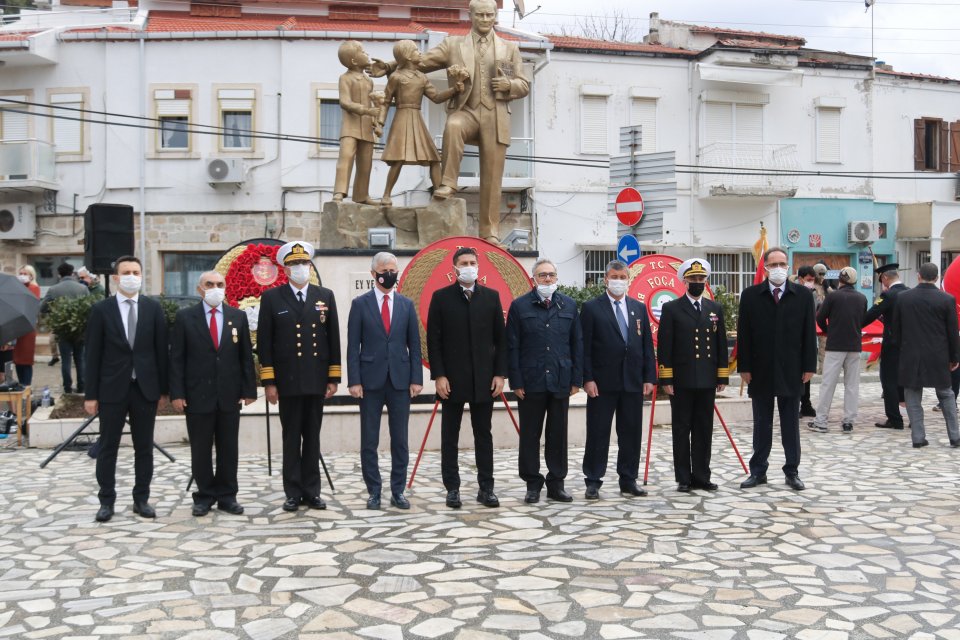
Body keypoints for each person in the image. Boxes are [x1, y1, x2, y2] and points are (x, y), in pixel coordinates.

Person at [371, 0, 530, 244]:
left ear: (496, 16)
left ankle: (489, 232)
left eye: (490, 15)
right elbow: (420, 61)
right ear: (471, 16)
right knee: (453, 125)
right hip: (466, 109)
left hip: (495, 116)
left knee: (492, 176)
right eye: (480, 15)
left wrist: (509, 85)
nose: (485, 20)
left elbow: (523, 84)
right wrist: (391, 65)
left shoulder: (509, 48)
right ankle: (448, 183)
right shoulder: (453, 45)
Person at [257, 241, 341, 512]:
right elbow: (265, 344)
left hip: (316, 380)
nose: (300, 268)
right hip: (288, 381)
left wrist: (333, 377)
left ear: (310, 266)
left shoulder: (324, 296)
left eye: (303, 263)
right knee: (291, 437)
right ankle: (293, 492)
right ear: (285, 269)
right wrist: (269, 382)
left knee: (313, 437)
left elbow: (333, 339)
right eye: (294, 264)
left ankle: (312, 491)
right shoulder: (272, 298)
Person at [84, 256, 169, 522]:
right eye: (126, 272)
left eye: (136, 271)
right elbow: (93, 354)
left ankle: (141, 499)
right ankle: (106, 500)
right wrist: (91, 394)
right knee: (108, 446)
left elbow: (161, 352)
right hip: (112, 389)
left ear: (142, 276)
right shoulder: (102, 310)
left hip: (145, 389)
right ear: (116, 278)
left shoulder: (153, 309)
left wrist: (164, 390)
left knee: (143, 447)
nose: (132, 276)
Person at [169, 271, 257, 517]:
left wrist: (248, 389)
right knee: (201, 449)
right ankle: (204, 496)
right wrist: (177, 392)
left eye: (220, 284)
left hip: (229, 395)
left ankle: (228, 496)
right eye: (210, 284)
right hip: (197, 395)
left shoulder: (237, 317)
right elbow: (176, 359)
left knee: (229, 448)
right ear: (200, 289)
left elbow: (245, 358)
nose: (215, 288)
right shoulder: (186, 317)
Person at [427, 246, 507, 509]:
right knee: (450, 435)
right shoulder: (441, 298)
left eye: (473, 262)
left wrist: (499, 374)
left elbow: (500, 340)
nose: (469, 266)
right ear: (455, 268)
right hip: (452, 380)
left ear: (478, 266)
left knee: (484, 435)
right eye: (464, 262)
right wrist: (438, 375)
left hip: (485, 380)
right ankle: (452, 488)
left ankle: (487, 488)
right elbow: (433, 341)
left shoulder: (491, 297)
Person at [737, 247, 817, 491]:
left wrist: (809, 366)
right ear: (766, 268)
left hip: (791, 369)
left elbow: (809, 333)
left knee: (790, 424)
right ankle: (758, 470)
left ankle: (792, 471)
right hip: (760, 369)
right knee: (762, 423)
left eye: (783, 263)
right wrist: (744, 366)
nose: (779, 268)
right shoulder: (751, 296)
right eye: (774, 264)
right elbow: (745, 334)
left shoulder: (803, 295)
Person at [347, 252, 423, 510]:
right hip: (369, 382)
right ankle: (374, 492)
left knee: (399, 439)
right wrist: (354, 380)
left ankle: (398, 491)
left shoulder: (406, 304)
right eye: (384, 269)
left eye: (393, 269)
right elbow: (352, 346)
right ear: (373, 274)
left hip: (400, 382)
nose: (389, 273)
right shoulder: (360, 304)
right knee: (370, 440)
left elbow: (414, 344)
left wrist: (416, 378)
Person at [507, 258, 583, 503]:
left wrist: (576, 379)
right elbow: (513, 346)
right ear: (534, 279)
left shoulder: (569, 306)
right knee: (530, 434)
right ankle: (532, 483)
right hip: (531, 381)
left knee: (558, 434)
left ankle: (556, 483)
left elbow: (576, 344)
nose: (547, 279)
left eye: (551, 275)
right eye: (542, 275)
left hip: (560, 379)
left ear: (557, 278)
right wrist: (516, 381)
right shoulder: (520, 307)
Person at [579, 260, 656, 499]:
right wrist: (587, 378)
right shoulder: (591, 308)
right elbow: (585, 348)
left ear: (628, 280)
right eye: (614, 277)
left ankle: (628, 479)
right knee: (598, 432)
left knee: (631, 433)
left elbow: (645, 346)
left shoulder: (638, 308)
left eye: (623, 277)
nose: (618, 281)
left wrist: (648, 377)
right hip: (602, 383)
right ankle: (593, 480)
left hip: (632, 381)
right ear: (605, 279)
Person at [658, 258, 730, 492]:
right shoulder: (671, 308)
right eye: (693, 279)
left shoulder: (714, 308)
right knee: (681, 429)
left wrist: (722, 376)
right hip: (681, 380)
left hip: (707, 380)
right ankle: (683, 478)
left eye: (701, 279)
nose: (697, 282)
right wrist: (666, 379)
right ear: (684, 281)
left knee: (704, 429)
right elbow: (665, 346)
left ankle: (702, 475)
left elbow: (721, 345)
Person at [378, 40, 460, 206]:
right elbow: (385, 101)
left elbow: (436, 97)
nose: (419, 53)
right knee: (398, 159)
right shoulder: (396, 77)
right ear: (408, 56)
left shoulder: (421, 78)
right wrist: (380, 123)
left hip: (417, 118)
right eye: (416, 51)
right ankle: (386, 195)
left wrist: (454, 90)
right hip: (401, 118)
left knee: (433, 159)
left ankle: (438, 195)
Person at [891, 262, 960, 448]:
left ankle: (918, 438)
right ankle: (955, 436)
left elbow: (895, 331)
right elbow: (953, 332)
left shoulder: (903, 298)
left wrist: (901, 350)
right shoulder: (947, 299)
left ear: (918, 276)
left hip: (911, 354)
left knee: (912, 396)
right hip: (939, 355)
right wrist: (955, 357)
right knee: (946, 395)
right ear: (937, 278)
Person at [808, 266, 867, 433]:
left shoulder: (833, 297)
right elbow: (862, 319)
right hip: (854, 346)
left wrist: (827, 331)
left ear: (840, 279)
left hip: (835, 345)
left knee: (828, 384)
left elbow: (819, 317)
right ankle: (849, 421)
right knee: (852, 385)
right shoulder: (862, 298)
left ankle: (821, 421)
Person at [333, 40, 380, 205]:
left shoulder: (369, 81)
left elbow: (373, 103)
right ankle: (339, 192)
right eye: (363, 52)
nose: (366, 54)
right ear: (353, 61)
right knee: (345, 158)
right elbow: (344, 102)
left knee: (365, 163)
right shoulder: (345, 78)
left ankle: (362, 195)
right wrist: (366, 110)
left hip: (366, 127)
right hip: (350, 126)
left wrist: (375, 120)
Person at [863, 263, 908, 429]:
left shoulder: (888, 295)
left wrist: (855, 324)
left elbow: (871, 315)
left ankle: (895, 419)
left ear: (885, 278)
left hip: (893, 345)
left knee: (889, 380)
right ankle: (914, 417)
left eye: (881, 279)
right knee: (908, 381)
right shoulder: (910, 292)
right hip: (910, 345)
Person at [41, 262, 90, 394]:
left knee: (66, 360)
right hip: (79, 329)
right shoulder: (82, 288)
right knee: (80, 360)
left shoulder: (53, 289)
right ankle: (82, 386)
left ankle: (67, 387)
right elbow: (89, 308)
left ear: (59, 274)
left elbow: (42, 308)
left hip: (62, 329)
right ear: (72, 273)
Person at [796, 266, 821, 418]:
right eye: (808, 280)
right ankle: (797, 404)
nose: (811, 283)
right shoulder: (792, 293)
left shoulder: (816, 294)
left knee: (807, 373)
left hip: (811, 339)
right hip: (796, 341)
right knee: (796, 375)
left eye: (813, 280)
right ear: (800, 279)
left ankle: (806, 404)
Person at [13, 265, 41, 386]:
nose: (22, 276)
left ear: (31, 275)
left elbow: (29, 304)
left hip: (27, 327)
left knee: (25, 358)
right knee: (17, 359)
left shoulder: (34, 287)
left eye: (25, 273)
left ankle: (26, 385)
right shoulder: (17, 287)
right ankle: (21, 384)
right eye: (21, 273)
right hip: (16, 327)